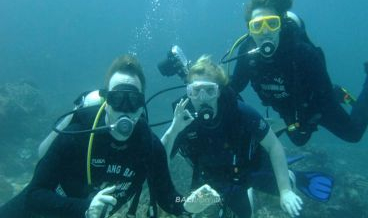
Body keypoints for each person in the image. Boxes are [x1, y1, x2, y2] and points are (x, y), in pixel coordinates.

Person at [0, 55, 220, 218]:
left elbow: (168, 198)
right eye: (117, 99)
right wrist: (84, 209)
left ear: (141, 105)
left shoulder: (149, 146)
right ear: (105, 102)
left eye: (132, 100)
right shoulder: (78, 133)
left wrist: (187, 203)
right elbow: (35, 193)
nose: (125, 109)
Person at [229, 0, 368, 146]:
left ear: (280, 24)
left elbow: (323, 96)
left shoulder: (302, 52)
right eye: (257, 26)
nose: (265, 32)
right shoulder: (246, 54)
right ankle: (339, 94)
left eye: (272, 23)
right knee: (299, 141)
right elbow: (234, 87)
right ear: (249, 28)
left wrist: (288, 122)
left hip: (316, 102)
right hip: (287, 109)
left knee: (353, 134)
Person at [161, 55, 304, 218]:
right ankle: (235, 198)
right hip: (212, 178)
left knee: (288, 185)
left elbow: (273, 145)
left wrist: (285, 190)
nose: (202, 98)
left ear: (219, 92)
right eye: (195, 91)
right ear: (189, 93)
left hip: (249, 169)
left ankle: (282, 178)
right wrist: (172, 132)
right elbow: (158, 162)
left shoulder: (240, 112)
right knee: (194, 209)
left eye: (209, 90)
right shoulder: (183, 120)